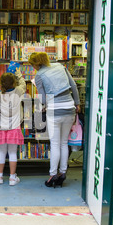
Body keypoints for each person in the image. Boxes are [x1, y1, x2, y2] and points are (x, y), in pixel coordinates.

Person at [28, 52, 81, 188]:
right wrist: (77, 103)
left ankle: (52, 175)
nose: (33, 67)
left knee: (55, 143)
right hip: (69, 108)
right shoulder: (61, 66)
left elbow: (43, 98)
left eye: (33, 65)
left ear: (36, 64)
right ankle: (62, 173)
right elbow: (73, 86)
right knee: (64, 143)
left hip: (54, 111)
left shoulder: (39, 75)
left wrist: (44, 106)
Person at [0, 64, 26, 186]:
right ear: (14, 83)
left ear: (0, 84)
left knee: (2, 152)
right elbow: (23, 84)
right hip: (14, 128)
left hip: (1, 128)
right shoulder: (18, 92)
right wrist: (18, 73)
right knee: (13, 153)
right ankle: (13, 178)